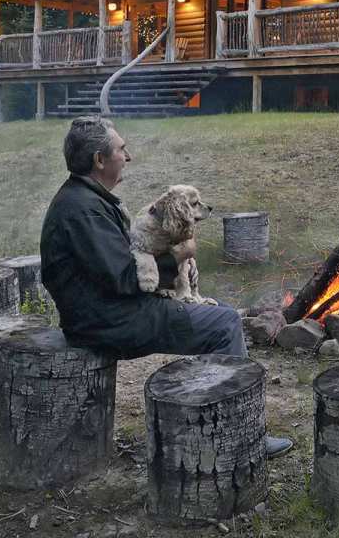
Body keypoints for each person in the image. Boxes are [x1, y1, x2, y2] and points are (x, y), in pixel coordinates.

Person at [40, 115, 292, 458]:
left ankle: (210, 421)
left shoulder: (86, 200)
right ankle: (241, 437)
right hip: (107, 320)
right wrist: (177, 256)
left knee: (217, 311)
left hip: (106, 311)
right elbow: (125, 279)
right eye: (121, 149)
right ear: (99, 159)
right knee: (224, 324)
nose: (128, 156)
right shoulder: (83, 211)